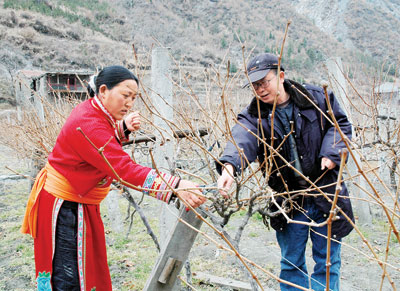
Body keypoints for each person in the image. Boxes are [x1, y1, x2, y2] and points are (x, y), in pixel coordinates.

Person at [21, 65, 206, 291]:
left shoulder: (94, 112)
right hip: (66, 205)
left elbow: (100, 143)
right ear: (103, 91)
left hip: (76, 199)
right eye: (125, 95)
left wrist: (122, 129)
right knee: (69, 275)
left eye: (134, 97)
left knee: (80, 269)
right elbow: (123, 168)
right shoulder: (88, 122)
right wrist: (176, 186)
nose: (129, 103)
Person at [216, 53, 354, 291]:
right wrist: (230, 165)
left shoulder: (318, 99)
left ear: (281, 76)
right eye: (255, 85)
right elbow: (242, 138)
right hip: (288, 200)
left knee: (328, 263)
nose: (260, 90)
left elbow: (340, 125)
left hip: (325, 193)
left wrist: (331, 154)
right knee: (292, 264)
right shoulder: (254, 115)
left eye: (264, 82)